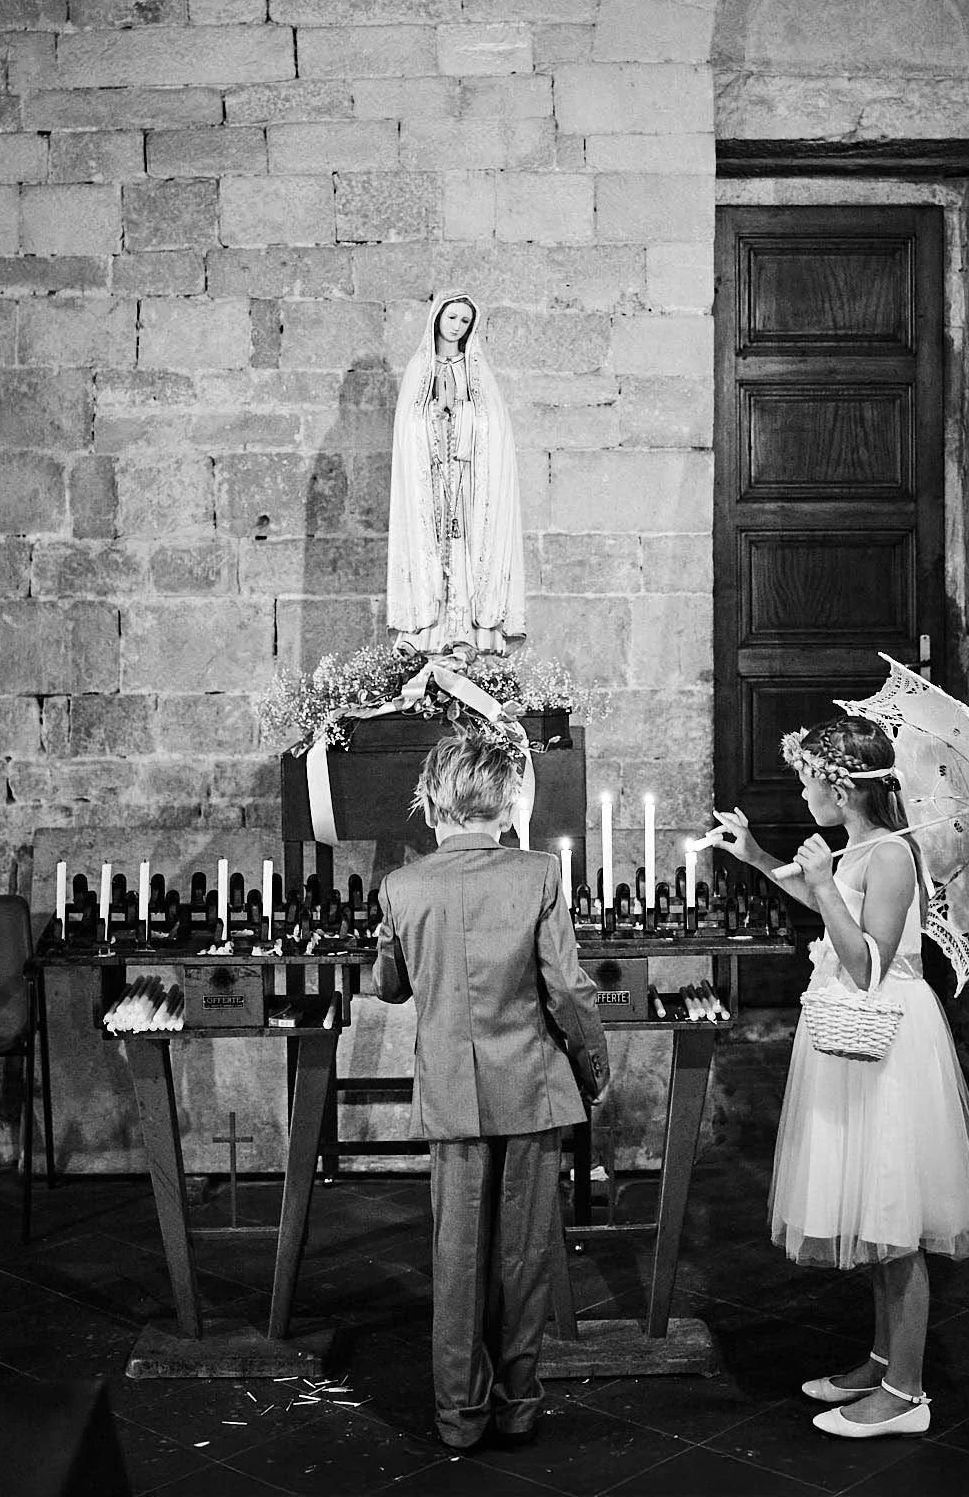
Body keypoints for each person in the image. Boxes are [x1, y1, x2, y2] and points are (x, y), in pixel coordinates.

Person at [704, 715, 969, 1439]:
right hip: (851, 1045)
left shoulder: (888, 855)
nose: (801, 793)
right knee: (872, 1210)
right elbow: (824, 905)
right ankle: (883, 1361)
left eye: (805, 780)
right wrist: (760, 858)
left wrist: (824, 884)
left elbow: (866, 967)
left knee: (895, 1216)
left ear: (837, 785)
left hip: (888, 1045)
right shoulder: (857, 847)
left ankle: (907, 1395)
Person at [372, 729, 610, 1453]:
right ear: (506, 802)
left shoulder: (401, 885)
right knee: (525, 1255)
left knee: (456, 1256)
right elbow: (568, 990)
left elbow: (389, 986)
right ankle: (517, 1408)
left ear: (434, 799)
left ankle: (457, 1416)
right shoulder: (538, 874)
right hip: (531, 1086)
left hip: (451, 1090)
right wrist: (592, 1068)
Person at [387, 292, 524, 655]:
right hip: (430, 482)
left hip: (467, 483)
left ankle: (468, 637)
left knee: (465, 553)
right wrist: (434, 414)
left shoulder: (476, 370)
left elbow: (493, 426)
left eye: (465, 321)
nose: (457, 326)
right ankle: (427, 640)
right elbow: (408, 427)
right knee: (430, 549)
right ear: (437, 319)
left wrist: (459, 412)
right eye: (452, 318)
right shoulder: (420, 368)